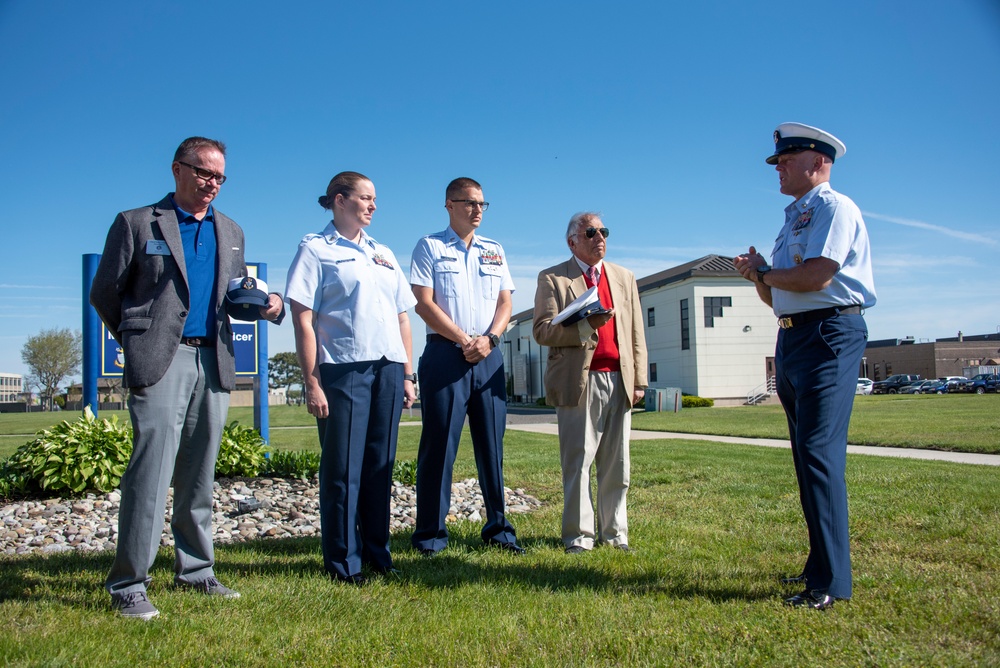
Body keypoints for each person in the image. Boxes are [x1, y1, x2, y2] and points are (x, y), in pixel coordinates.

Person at [91, 136, 285, 620]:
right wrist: (140, 339)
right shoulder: (136, 223)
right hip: (161, 361)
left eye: (219, 177)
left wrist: (269, 306)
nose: (211, 184)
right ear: (177, 169)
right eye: (203, 173)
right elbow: (105, 293)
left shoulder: (232, 230)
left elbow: (235, 298)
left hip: (214, 363)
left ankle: (196, 570)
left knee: (199, 477)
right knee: (150, 475)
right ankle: (129, 583)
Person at [734, 122, 876, 610]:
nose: (778, 169)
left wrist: (767, 271)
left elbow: (817, 275)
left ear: (819, 162)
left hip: (830, 332)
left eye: (786, 161)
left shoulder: (835, 208)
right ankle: (820, 563)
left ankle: (831, 583)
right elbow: (777, 294)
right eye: (777, 163)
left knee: (818, 454)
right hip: (793, 334)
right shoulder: (793, 217)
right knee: (805, 457)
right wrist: (758, 274)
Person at [285, 172, 416, 584]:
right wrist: (311, 380)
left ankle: (379, 555)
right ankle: (344, 562)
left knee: (380, 465)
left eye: (375, 198)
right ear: (340, 200)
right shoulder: (315, 249)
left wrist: (408, 373)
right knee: (343, 468)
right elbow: (303, 318)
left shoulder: (384, 253)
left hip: (389, 368)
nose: (373, 205)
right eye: (365, 197)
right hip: (344, 368)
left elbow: (402, 316)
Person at [409, 177, 523, 556]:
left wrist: (489, 339)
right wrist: (463, 340)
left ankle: (499, 530)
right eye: (469, 203)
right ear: (449, 205)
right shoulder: (429, 247)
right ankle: (430, 535)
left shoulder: (494, 250)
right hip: (445, 355)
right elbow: (423, 304)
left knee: (492, 446)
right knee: (439, 446)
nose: (477, 210)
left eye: (482, 204)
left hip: (489, 355)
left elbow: (505, 303)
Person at [532, 212, 647, 554]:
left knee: (617, 465)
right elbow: (542, 331)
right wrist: (586, 327)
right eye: (591, 232)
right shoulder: (553, 278)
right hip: (578, 382)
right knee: (578, 461)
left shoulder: (624, 277)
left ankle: (615, 534)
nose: (600, 238)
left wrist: (639, 379)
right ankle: (579, 537)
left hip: (620, 380)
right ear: (572, 242)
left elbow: (636, 332)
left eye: (603, 231)